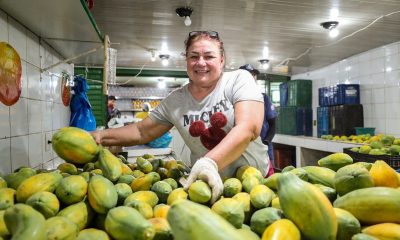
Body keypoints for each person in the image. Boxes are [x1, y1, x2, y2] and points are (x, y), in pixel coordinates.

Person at [92, 31, 270, 203]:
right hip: (204, 189)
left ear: (222, 60)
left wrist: (209, 163)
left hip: (255, 186)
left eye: (209, 56)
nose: (201, 63)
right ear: (186, 61)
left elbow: (248, 128)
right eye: (194, 57)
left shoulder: (238, 80)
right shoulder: (175, 101)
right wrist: (100, 136)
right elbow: (141, 131)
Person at [239, 64, 278, 174]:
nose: (252, 77)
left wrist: (266, 142)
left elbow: (273, 124)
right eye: (248, 75)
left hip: (263, 148)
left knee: (268, 178)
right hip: (243, 149)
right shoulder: (233, 98)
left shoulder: (263, 98)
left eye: (253, 75)